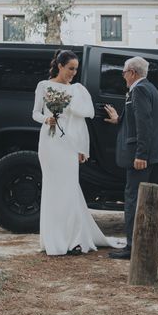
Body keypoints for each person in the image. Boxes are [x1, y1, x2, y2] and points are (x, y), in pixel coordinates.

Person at [33, 50, 124, 256]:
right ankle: (54, 238)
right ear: (60, 66)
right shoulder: (44, 86)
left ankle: (74, 238)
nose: (73, 73)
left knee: (70, 188)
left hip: (68, 144)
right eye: (70, 68)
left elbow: (80, 123)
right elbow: (35, 113)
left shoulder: (77, 90)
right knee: (52, 189)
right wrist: (46, 120)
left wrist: (82, 148)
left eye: (76, 69)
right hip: (49, 141)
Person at [104, 56, 158, 260]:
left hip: (145, 155)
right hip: (156, 154)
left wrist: (140, 155)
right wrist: (119, 119)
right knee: (150, 200)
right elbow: (141, 119)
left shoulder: (139, 89)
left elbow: (144, 123)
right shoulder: (149, 88)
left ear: (133, 73)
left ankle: (131, 246)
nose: (123, 75)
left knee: (133, 199)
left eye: (124, 71)